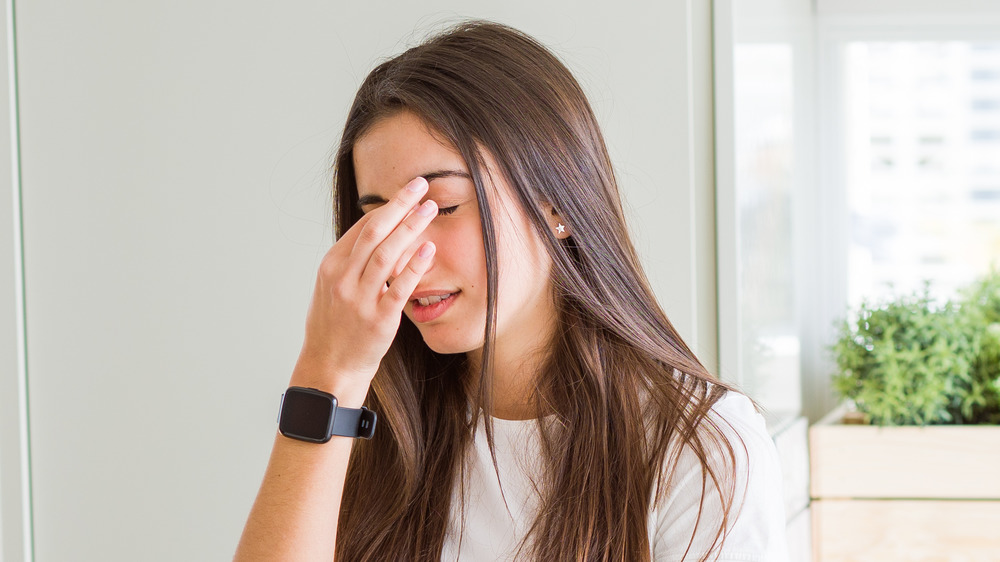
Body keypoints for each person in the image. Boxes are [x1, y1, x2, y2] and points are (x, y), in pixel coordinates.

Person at [235, 20, 788, 562]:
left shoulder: (700, 448)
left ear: (557, 203)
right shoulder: (368, 418)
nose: (404, 255)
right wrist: (327, 372)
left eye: (444, 208)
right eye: (382, 220)